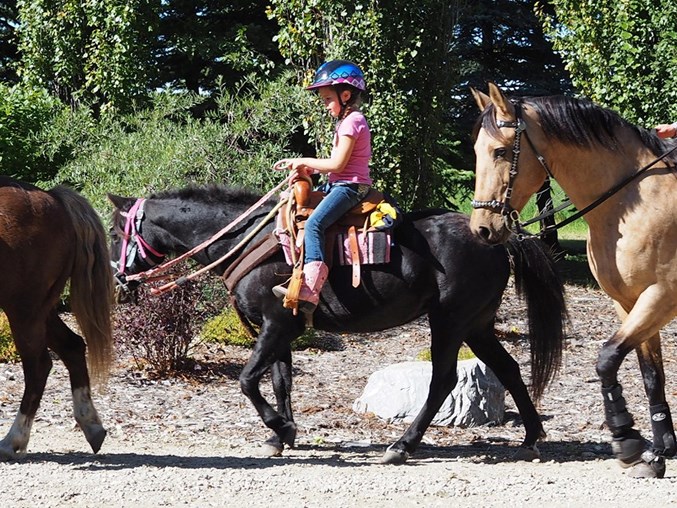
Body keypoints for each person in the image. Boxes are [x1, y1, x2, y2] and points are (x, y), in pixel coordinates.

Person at [272, 59, 372, 313]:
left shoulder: (353, 121)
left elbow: (338, 164)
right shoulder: (346, 121)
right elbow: (336, 164)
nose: (325, 105)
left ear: (346, 94)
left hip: (351, 187)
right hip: (339, 184)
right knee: (290, 202)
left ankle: (310, 289)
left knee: (316, 223)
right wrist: (307, 169)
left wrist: (302, 160)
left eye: (328, 99)